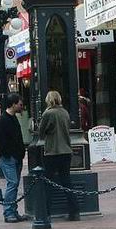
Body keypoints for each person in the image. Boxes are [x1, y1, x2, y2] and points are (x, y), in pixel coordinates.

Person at [38, 90, 80, 221]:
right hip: (66, 151)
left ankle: (47, 213)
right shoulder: (65, 112)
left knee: (48, 183)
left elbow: (41, 131)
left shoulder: (48, 113)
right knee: (66, 181)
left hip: (52, 151)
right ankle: (74, 211)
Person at [0, 93, 29, 223]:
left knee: (14, 184)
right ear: (13, 104)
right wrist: (8, 154)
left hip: (16, 157)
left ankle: (13, 211)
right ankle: (8, 212)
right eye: (20, 104)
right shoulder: (2, 120)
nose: (21, 106)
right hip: (8, 158)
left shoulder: (13, 118)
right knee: (12, 183)